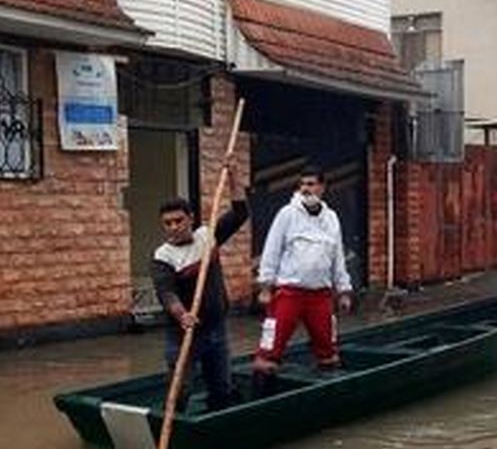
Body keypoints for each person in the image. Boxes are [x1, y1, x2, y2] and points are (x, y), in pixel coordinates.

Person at [151, 173, 249, 412]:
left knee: (222, 387)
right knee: (180, 391)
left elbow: (240, 214)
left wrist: (233, 178)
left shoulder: (207, 237)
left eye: (179, 221)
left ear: (190, 219)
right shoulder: (163, 256)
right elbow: (167, 293)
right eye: (168, 223)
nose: (174, 227)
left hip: (217, 328)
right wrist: (182, 314)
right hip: (184, 335)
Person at [252, 171, 354, 377]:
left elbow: (337, 257)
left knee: (328, 348)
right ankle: (262, 389)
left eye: (311, 184)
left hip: (320, 295)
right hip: (289, 293)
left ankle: (329, 384)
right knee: (270, 348)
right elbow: (272, 250)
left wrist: (344, 291)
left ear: (322, 187)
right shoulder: (287, 214)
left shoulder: (332, 219)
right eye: (302, 185)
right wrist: (265, 287)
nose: (305, 189)